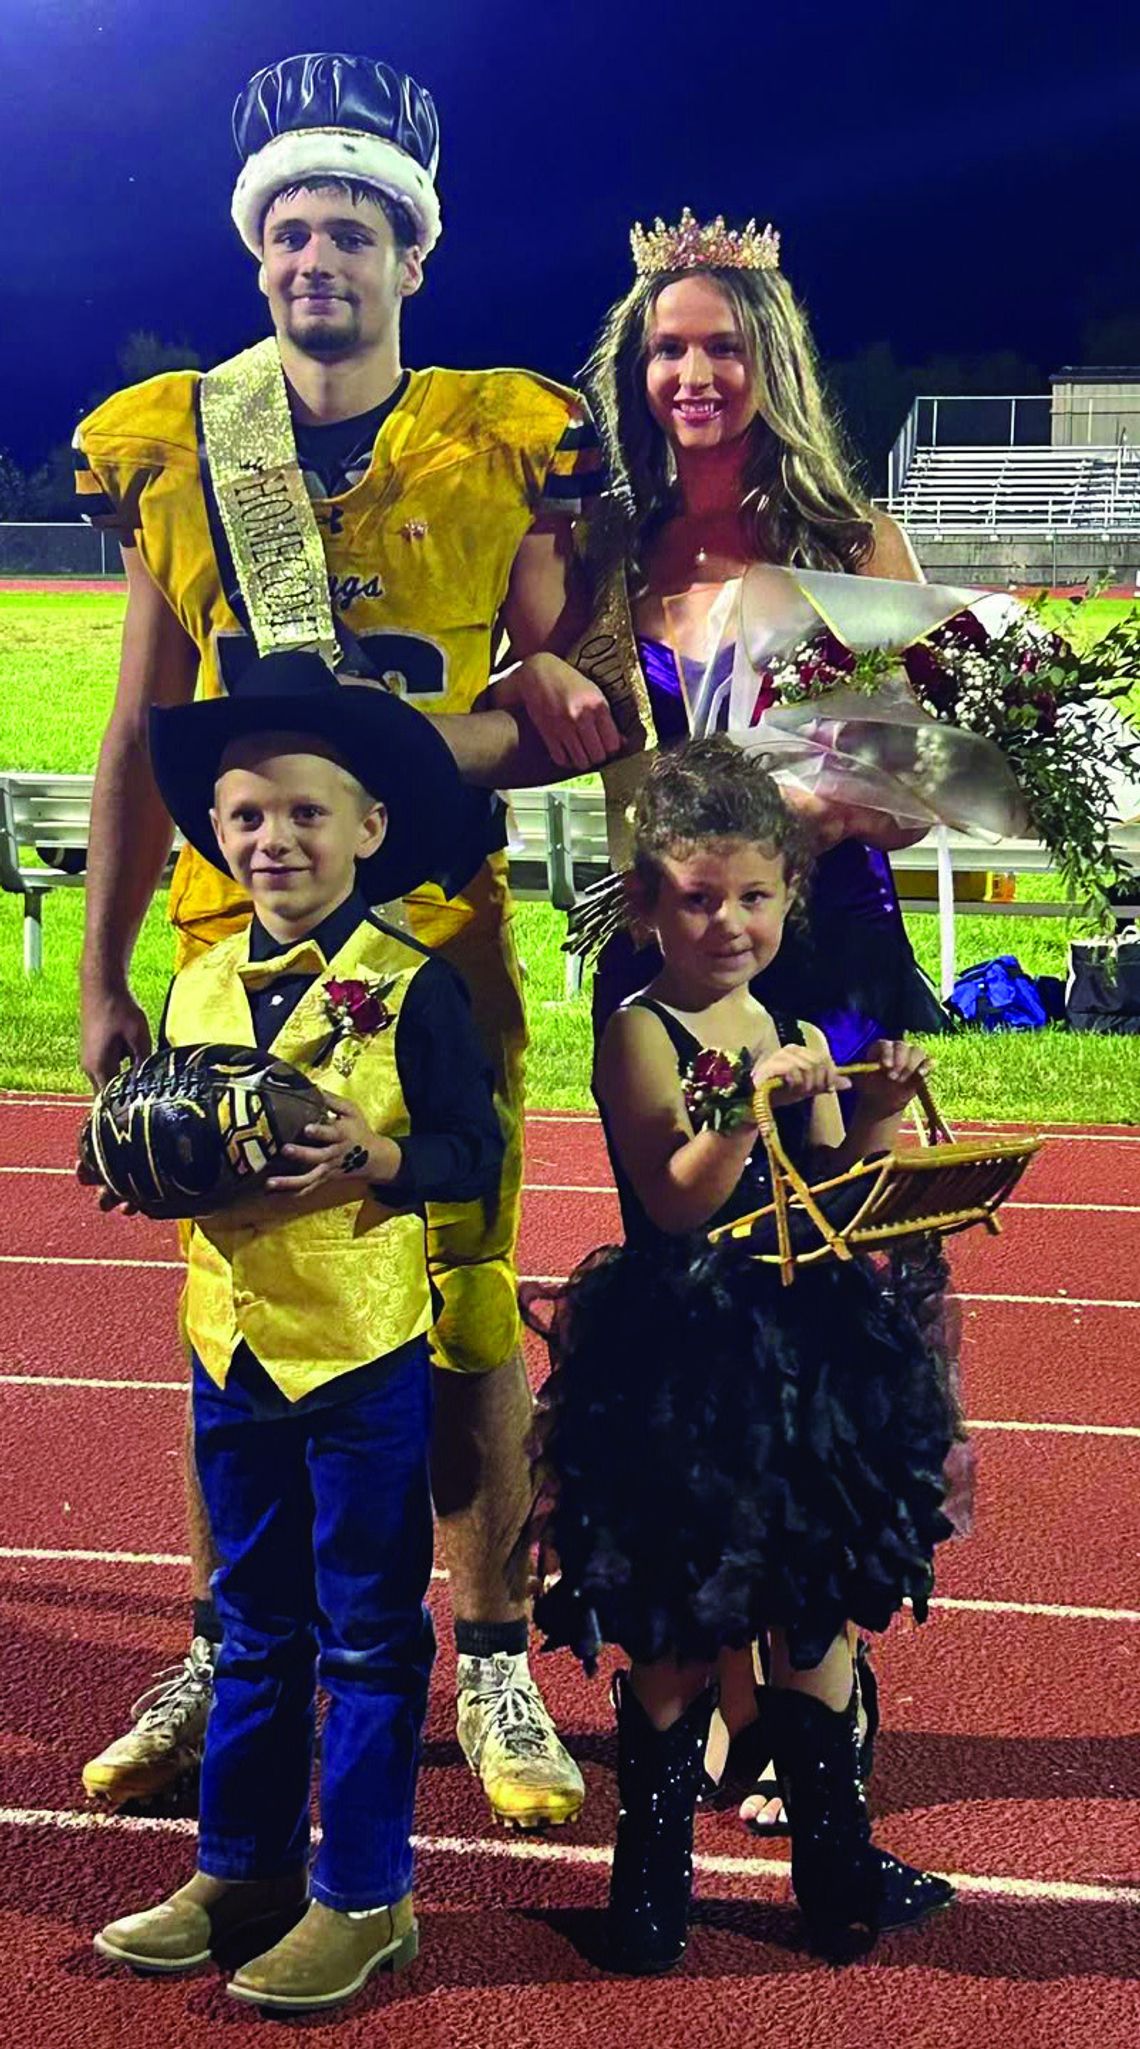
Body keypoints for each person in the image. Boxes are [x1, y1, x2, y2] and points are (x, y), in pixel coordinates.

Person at [74, 50, 620, 1827]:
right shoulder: (183, 440)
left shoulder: (499, 436)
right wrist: (97, 976)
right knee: (240, 1312)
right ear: (259, 253)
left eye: (355, 232)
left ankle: (492, 1650)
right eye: (292, 231)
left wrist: (496, 718)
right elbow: (140, 726)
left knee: (456, 1313)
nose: (320, 259)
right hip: (232, 953)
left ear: (412, 254)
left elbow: (577, 690)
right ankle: (241, 1646)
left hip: (434, 949)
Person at [493, 207, 947, 1824]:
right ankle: (743, 1701)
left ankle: (831, 1682)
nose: (693, 370)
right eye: (666, 345)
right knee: (696, 1337)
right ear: (636, 369)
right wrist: (528, 674)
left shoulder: (855, 536)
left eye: (721, 342)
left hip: (830, 972)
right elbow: (513, 696)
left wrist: (864, 797)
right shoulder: (598, 550)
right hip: (665, 987)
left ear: (772, 359)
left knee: (834, 1332)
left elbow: (934, 770)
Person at [88, 649, 505, 2009]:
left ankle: (366, 1894)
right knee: (251, 1624)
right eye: (247, 815)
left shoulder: (414, 981)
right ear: (216, 829)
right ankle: (240, 1868)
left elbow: (472, 1145)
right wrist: (130, 1162)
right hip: (230, 1351)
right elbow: (179, 1145)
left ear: (369, 828)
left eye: (306, 814)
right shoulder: (197, 981)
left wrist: (381, 1163)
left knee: (373, 1633)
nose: (274, 839)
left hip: (360, 1356)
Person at [527, 736, 957, 1973]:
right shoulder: (640, 1029)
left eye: (755, 898)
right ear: (652, 901)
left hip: (801, 1365)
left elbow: (832, 1180)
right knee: (672, 1619)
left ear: (787, 898)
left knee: (812, 1615)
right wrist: (747, 1102)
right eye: (700, 898)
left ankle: (836, 1871)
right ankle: (650, 1891)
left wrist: (870, 1097)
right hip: (679, 1363)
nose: (730, 923)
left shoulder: (781, 1013)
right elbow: (671, 1201)